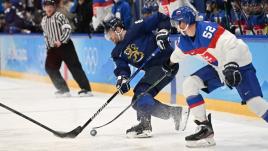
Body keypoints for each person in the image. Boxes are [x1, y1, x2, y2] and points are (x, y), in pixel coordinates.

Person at [162, 6, 268, 148]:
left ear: (187, 20)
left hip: (239, 63)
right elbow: (179, 54)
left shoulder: (207, 30)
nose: (177, 27)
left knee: (254, 103)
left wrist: (231, 64)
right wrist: (170, 63)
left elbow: (233, 45)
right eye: (174, 23)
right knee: (190, 84)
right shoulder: (185, 40)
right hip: (219, 68)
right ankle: (205, 129)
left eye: (178, 23)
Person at [103, 14, 187, 138]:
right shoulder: (116, 52)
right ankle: (174, 113)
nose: (109, 37)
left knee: (141, 92)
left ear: (118, 29)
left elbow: (160, 17)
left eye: (110, 33)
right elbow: (122, 69)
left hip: (167, 63)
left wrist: (163, 32)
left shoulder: (137, 28)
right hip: (153, 70)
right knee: (136, 101)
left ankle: (145, 125)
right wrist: (122, 79)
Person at [41, 0, 93, 97]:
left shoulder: (59, 16)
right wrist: (48, 47)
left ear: (54, 6)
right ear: (44, 8)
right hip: (53, 48)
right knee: (50, 68)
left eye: (50, 6)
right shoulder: (43, 20)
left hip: (65, 45)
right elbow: (46, 35)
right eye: (46, 6)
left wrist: (61, 40)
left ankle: (86, 89)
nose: (48, 8)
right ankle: (63, 89)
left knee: (74, 67)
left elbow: (67, 28)